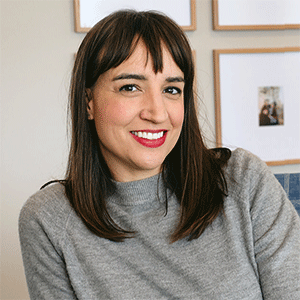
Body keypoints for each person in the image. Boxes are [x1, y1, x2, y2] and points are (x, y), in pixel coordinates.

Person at [19, 10, 300, 299]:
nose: (157, 113)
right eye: (130, 87)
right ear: (88, 101)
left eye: (171, 89)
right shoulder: (48, 220)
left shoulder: (244, 181)